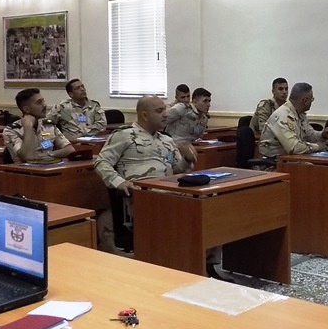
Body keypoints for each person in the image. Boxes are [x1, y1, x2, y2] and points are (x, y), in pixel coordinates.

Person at [95, 97, 232, 276]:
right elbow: (101, 162)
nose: (166, 114)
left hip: (171, 192)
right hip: (143, 197)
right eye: (159, 111)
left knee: (211, 206)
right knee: (191, 214)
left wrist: (187, 160)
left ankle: (206, 264)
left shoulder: (167, 140)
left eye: (165, 110)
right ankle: (184, 267)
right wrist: (119, 182)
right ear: (144, 115)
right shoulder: (123, 135)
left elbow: (177, 170)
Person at [259, 83, 328, 158]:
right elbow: (294, 148)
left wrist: (322, 135)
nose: (311, 102)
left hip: (292, 159)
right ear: (305, 101)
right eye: (311, 100)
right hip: (274, 161)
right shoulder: (282, 116)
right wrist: (318, 147)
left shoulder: (300, 114)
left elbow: (310, 135)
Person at [2, 88, 75, 163]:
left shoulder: (48, 125)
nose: (45, 105)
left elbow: (70, 149)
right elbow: (26, 156)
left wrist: (48, 154)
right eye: (39, 103)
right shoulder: (11, 130)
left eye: (43, 101)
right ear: (27, 109)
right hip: (24, 169)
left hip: (48, 166)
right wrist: (28, 127)